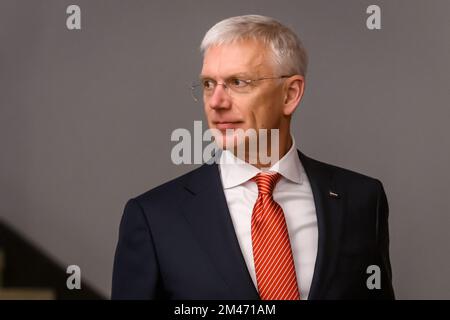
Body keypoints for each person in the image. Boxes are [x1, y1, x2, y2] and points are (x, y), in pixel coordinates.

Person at [111, 15, 394, 300]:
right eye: (209, 84)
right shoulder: (154, 217)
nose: (216, 102)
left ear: (290, 94)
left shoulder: (363, 200)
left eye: (238, 82)